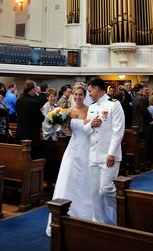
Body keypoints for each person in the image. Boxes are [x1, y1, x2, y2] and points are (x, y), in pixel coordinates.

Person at [46, 84, 93, 236]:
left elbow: (92, 128)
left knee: (85, 178)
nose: (78, 97)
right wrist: (60, 123)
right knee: (69, 178)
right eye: (75, 94)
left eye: (80, 94)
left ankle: (87, 214)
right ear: (72, 95)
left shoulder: (89, 109)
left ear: (84, 95)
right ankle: (66, 212)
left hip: (87, 146)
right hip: (73, 147)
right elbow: (67, 132)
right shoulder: (68, 111)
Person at [82, 77, 125, 225]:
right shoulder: (92, 107)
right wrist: (91, 125)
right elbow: (85, 130)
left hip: (108, 155)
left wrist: (112, 153)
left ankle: (122, 212)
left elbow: (118, 131)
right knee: (95, 192)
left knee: (105, 189)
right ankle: (99, 220)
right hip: (93, 155)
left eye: (90, 91)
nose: (89, 94)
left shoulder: (114, 104)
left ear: (97, 89)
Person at [15, 80, 47, 157]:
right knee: (32, 157)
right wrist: (42, 113)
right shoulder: (33, 102)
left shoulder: (19, 100)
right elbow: (39, 119)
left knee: (21, 157)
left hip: (20, 133)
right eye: (35, 88)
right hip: (31, 136)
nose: (36, 90)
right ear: (31, 89)